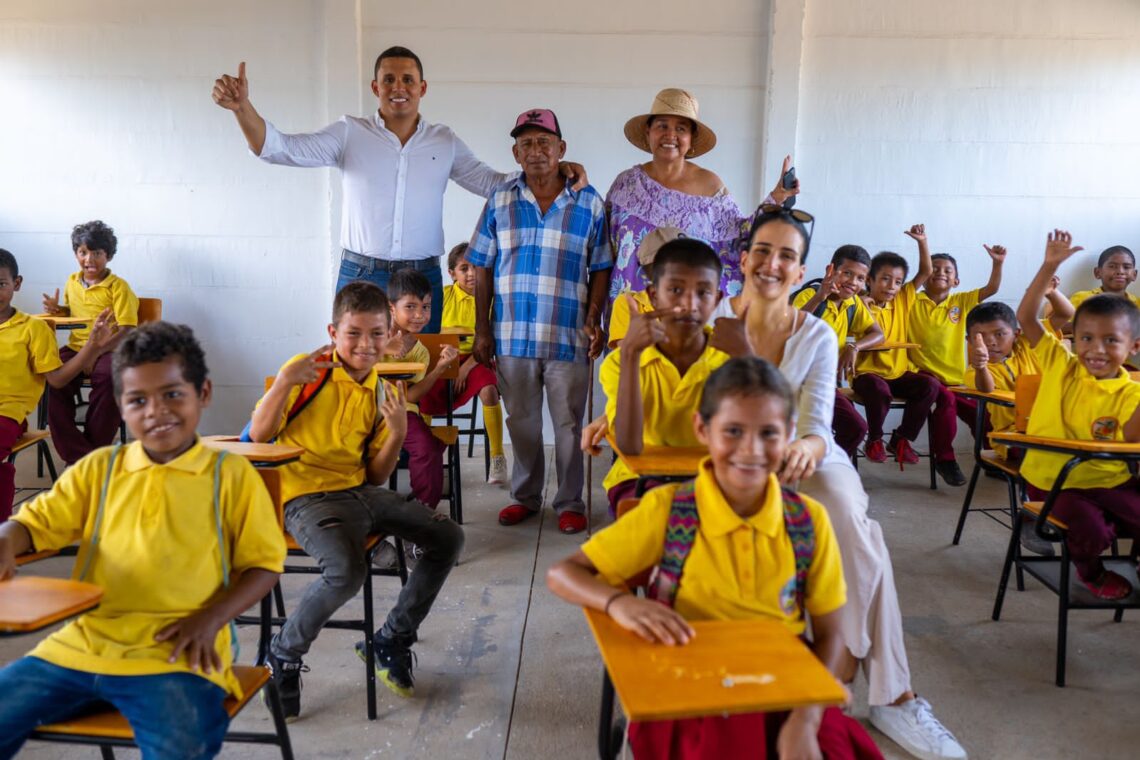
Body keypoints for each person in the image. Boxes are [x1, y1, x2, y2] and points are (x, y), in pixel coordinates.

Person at [708, 206, 967, 760]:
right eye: (762, 251)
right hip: (729, 460)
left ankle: (889, 696)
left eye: (786, 256)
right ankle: (866, 683)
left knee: (848, 517)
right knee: (863, 540)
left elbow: (817, 422)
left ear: (801, 272)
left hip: (803, 455)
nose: (772, 264)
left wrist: (803, 446)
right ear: (744, 258)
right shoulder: (710, 321)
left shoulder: (818, 334)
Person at [549, 357, 882, 759]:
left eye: (769, 434)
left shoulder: (807, 522)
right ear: (702, 430)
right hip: (691, 686)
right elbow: (563, 573)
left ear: (791, 434)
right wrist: (619, 604)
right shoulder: (670, 511)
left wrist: (807, 718)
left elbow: (830, 635)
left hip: (784, 687)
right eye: (733, 431)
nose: (751, 450)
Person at [0, 322, 285, 760]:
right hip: (85, 645)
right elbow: (33, 523)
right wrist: (7, 536)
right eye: (137, 400)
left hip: (178, 652)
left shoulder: (228, 476)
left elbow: (264, 565)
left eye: (172, 394)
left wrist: (210, 619)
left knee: (181, 743)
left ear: (203, 393)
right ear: (120, 406)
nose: (156, 411)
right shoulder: (101, 468)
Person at [212, 47, 586, 331]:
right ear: (376, 87)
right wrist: (242, 108)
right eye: (389, 79)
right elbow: (280, 148)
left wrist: (554, 172)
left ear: (422, 87)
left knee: (420, 377)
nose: (398, 88)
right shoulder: (349, 132)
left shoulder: (444, 141)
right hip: (361, 272)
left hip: (421, 276)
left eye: (407, 79)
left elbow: (491, 183)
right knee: (357, 376)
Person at [247, 281, 464, 718]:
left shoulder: (385, 386)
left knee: (448, 537)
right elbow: (257, 436)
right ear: (333, 331)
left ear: (390, 336)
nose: (365, 345)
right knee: (346, 571)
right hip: (305, 496)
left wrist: (398, 432)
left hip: (359, 491)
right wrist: (283, 382)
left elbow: (376, 475)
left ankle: (390, 640)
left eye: (376, 334)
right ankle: (283, 656)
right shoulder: (309, 372)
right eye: (354, 334)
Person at [468, 108, 611, 535]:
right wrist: (481, 328)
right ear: (515, 152)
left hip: (568, 332)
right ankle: (525, 496)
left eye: (544, 142)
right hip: (511, 334)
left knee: (568, 424)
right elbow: (481, 266)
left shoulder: (589, 201)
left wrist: (595, 317)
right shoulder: (500, 200)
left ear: (561, 149)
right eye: (526, 143)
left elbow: (602, 264)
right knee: (522, 421)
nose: (536, 151)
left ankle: (569, 501)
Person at [1015, 230, 1140, 600]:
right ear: (1073, 338)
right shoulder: (1061, 365)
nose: (1095, 350)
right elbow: (1026, 317)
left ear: (1133, 346)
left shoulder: (1132, 390)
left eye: (1111, 341)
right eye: (1086, 338)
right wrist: (1049, 266)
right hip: (1055, 480)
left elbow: (1132, 443)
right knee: (1091, 527)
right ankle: (1092, 571)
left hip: (1109, 478)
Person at [606, 88, 797, 303]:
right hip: (627, 316)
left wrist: (777, 197)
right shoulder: (626, 184)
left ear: (691, 138)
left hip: (686, 317)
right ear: (648, 131)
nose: (670, 135)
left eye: (681, 128)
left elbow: (740, 239)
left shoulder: (710, 187)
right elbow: (602, 251)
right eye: (662, 126)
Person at [600, 238, 727, 515]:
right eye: (676, 290)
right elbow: (630, 446)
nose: (689, 304)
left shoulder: (728, 362)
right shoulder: (620, 363)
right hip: (637, 479)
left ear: (717, 299)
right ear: (653, 295)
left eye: (703, 292)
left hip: (708, 478)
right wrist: (632, 355)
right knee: (661, 512)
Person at [0, 249, 116, 520]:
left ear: (16, 284)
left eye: (1, 284)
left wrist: (92, 347)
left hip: (7, 414)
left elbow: (57, 379)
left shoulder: (33, 329)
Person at [905, 239, 1006, 486]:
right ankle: (945, 459)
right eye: (935, 269)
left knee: (981, 414)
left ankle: (993, 460)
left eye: (947, 271)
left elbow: (991, 289)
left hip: (956, 378)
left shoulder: (960, 302)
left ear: (956, 281)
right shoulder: (911, 300)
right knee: (946, 403)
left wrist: (997, 264)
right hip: (924, 375)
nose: (940, 273)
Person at [43, 220, 139, 464]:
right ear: (76, 254)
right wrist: (59, 310)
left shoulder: (119, 287)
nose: (89, 259)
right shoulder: (72, 282)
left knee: (111, 378)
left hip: (111, 348)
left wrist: (95, 352)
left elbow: (127, 330)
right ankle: (81, 457)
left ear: (108, 256)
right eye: (83, 252)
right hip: (77, 347)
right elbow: (74, 313)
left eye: (97, 253)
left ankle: (94, 451)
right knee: (53, 381)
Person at [963, 300, 1051, 557]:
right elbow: (986, 388)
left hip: (1049, 431)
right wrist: (980, 366)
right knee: (1039, 456)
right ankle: (1032, 516)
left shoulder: (1027, 349)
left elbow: (1063, 316)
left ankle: (1063, 513)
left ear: (1017, 335)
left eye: (999, 334)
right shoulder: (976, 370)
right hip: (1012, 438)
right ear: (969, 340)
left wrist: (1051, 295)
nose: (990, 342)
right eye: (980, 337)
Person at [419, 243, 507, 485]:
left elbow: (490, 342)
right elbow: (429, 336)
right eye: (463, 268)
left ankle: (497, 456)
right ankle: (425, 456)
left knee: (489, 390)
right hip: (442, 359)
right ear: (452, 273)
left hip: (477, 359)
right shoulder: (441, 297)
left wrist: (466, 367)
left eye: (476, 268)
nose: (471, 274)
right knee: (422, 394)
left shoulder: (491, 300)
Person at [851, 228, 939, 467]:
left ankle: (901, 439)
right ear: (869, 280)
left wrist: (923, 242)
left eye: (898, 282)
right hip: (866, 375)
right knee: (879, 389)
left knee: (930, 385)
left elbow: (926, 271)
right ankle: (875, 439)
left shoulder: (903, 298)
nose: (892, 286)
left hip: (898, 373)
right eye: (885, 279)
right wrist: (861, 303)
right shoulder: (856, 305)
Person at [792, 245, 885, 459]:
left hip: (823, 384)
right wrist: (820, 297)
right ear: (831, 270)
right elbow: (790, 328)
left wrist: (854, 346)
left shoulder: (853, 303)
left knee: (855, 428)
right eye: (847, 273)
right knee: (842, 428)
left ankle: (824, 469)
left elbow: (878, 334)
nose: (853, 282)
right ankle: (816, 470)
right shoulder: (810, 294)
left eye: (861, 278)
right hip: (796, 381)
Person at [386, 268, 459, 510]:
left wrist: (439, 368)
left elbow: (411, 396)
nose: (419, 314)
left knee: (426, 449)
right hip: (360, 409)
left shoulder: (420, 350)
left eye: (425, 307)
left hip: (400, 412)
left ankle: (423, 517)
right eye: (410, 307)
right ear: (391, 308)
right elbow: (347, 360)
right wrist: (384, 347)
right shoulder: (370, 334)